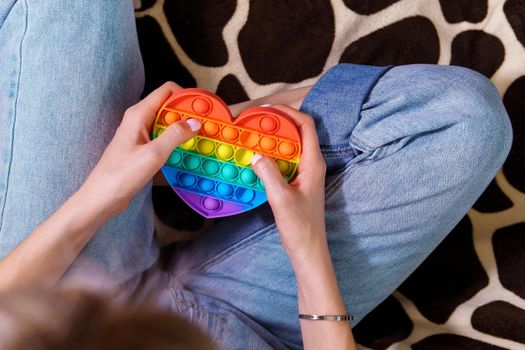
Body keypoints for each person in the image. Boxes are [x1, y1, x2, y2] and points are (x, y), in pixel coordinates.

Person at [0, 2, 512, 349]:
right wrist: (308, 249)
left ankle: (187, 148)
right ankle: (207, 145)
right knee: (465, 121)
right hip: (245, 330)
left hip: (59, 306)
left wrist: (97, 200)